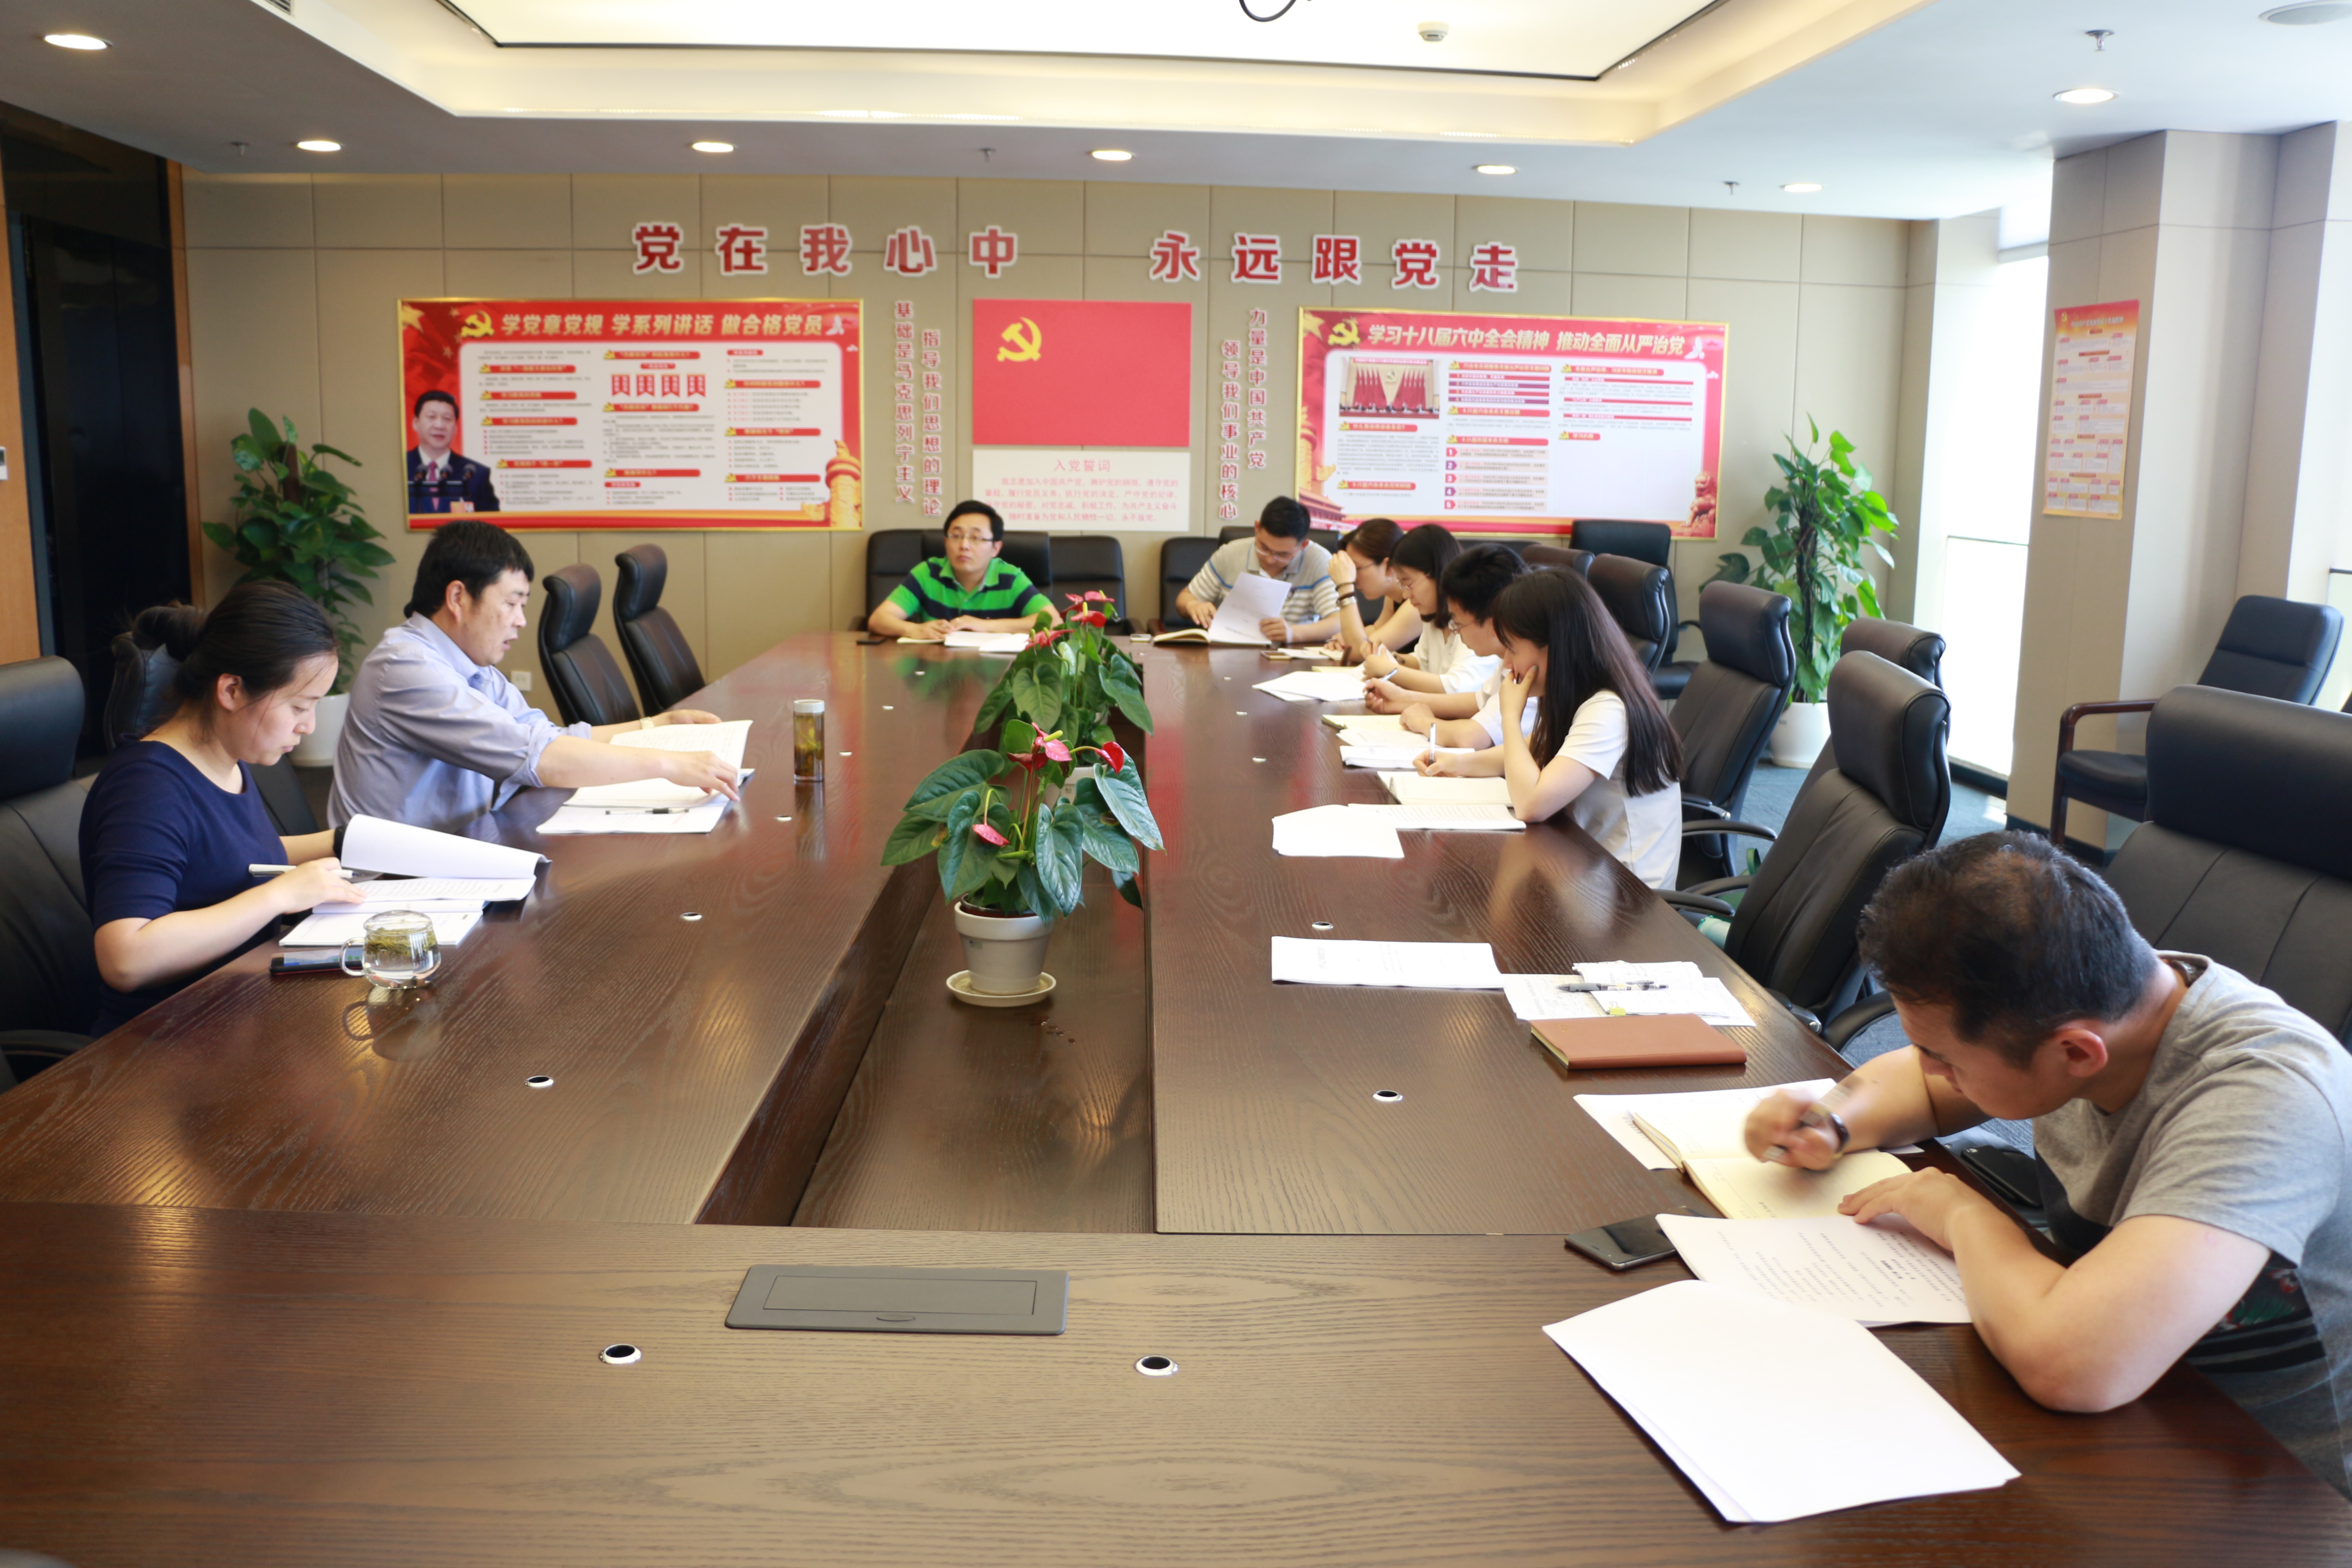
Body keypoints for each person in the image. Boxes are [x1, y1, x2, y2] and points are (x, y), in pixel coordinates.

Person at [1744, 834, 2352, 1498]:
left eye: (1943, 1056)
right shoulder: (2094, 996)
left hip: (2272, 1476)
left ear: (2077, 1054)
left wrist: (1963, 1214)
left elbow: (2073, 1368)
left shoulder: (2266, 1101)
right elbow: (1924, 1086)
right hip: (2137, 1391)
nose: (1930, 1068)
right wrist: (1832, 1121)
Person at [79, 584, 371, 1037]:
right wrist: (280, 895)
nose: (309, 726)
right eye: (299, 705)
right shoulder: (147, 787)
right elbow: (126, 959)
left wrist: (348, 843)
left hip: (239, 1012)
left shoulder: (225, 761)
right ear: (232, 690)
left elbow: (226, 855)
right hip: (165, 1041)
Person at [331, 520, 737, 833]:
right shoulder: (407, 669)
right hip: (391, 880)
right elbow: (541, 759)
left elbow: (547, 738)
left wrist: (656, 726)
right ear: (458, 598)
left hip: (458, 847)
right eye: (511, 604)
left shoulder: (469, 664)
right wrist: (668, 764)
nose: (521, 621)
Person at [1420, 568, 1682, 887]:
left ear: (1555, 645)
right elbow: (1534, 747)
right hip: (1583, 866)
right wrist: (1455, 764)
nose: (1507, 664)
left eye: (1513, 648)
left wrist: (1510, 715)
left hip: (1629, 893)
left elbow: (1531, 805)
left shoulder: (1609, 709)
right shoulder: (1574, 694)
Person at [1395, 544, 1528, 748]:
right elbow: (1479, 701)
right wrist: (1402, 699)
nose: (1455, 631)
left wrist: (1424, 722)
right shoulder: (1510, 654)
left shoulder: (1529, 664)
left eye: (1457, 624)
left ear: (1494, 622)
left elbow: (1471, 737)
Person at [866, 500, 1056, 641]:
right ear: (945, 542)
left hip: (995, 673)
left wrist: (985, 626)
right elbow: (879, 619)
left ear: (995, 548)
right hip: (935, 670)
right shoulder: (928, 573)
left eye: (976, 538)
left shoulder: (1010, 578)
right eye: (956, 536)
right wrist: (913, 630)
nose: (964, 545)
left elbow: (1054, 621)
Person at [1358, 525, 1496, 717]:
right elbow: (1423, 662)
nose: (1406, 595)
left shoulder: (1474, 620)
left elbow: (1459, 687)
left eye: (1409, 584)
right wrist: (1391, 658)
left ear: (1438, 573)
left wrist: (1392, 669)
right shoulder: (1433, 615)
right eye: (1402, 585)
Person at [1173, 495, 1340, 645]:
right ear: (1257, 528)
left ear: (1303, 545)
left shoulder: (1318, 560)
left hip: (1293, 655)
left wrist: (1293, 633)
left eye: (1283, 555)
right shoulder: (1230, 553)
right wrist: (1193, 605)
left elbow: (1339, 621)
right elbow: (1184, 600)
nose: (1270, 560)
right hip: (1232, 650)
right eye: (1264, 548)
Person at [1324, 518, 1413, 663]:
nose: (1354, 578)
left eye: (1357, 568)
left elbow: (1360, 653)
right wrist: (1344, 638)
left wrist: (1345, 587)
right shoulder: (1393, 596)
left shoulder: (1416, 604)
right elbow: (1376, 631)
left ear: (1388, 565)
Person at [406, 390, 501, 514]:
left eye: (447, 419)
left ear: (456, 428)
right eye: (431, 417)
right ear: (415, 423)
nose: (439, 425)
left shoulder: (477, 475)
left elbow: (491, 523)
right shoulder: (398, 469)